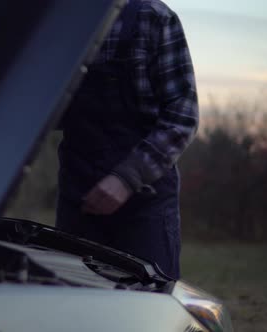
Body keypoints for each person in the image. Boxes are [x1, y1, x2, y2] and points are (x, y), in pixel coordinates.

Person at [56, 0, 198, 279]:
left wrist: (126, 178)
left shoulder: (154, 18)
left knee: (149, 309)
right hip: (79, 197)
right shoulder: (62, 25)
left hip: (145, 202)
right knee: (74, 308)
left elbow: (183, 116)